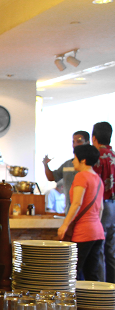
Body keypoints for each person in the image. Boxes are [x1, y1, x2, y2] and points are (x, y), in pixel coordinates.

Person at [58, 144, 104, 281]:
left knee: (73, 272)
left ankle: (76, 296)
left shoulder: (81, 176)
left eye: (75, 158)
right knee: (92, 274)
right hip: (98, 232)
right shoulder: (98, 179)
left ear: (83, 160)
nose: (73, 161)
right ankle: (93, 296)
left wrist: (65, 225)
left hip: (83, 232)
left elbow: (77, 203)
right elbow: (101, 208)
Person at [43, 131, 90, 211]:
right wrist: (45, 165)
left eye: (79, 141)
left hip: (86, 210)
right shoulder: (68, 164)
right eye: (73, 142)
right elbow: (51, 177)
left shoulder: (92, 164)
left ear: (87, 143)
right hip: (70, 209)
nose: (75, 145)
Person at [92, 121, 115, 283]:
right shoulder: (113, 155)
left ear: (94, 137)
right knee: (111, 249)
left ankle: (101, 287)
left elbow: (95, 184)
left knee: (98, 248)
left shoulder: (97, 157)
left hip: (102, 206)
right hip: (114, 206)